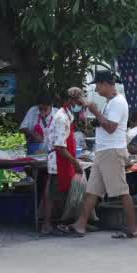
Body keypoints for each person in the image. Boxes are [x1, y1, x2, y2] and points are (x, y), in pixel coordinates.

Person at [68, 70, 137, 239]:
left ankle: (133, 228)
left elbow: (111, 128)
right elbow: (104, 123)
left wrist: (96, 111)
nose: (97, 89)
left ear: (105, 84)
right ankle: (81, 224)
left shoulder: (118, 102)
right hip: (104, 151)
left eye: (97, 85)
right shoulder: (110, 102)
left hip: (112, 151)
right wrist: (85, 103)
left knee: (121, 191)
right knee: (92, 191)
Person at [39, 88, 82, 235]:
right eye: (79, 101)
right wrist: (75, 162)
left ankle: (61, 222)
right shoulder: (61, 118)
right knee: (53, 192)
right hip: (58, 160)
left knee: (60, 192)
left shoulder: (68, 115)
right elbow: (59, 146)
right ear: (71, 101)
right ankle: (47, 225)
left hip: (64, 158)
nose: (81, 104)